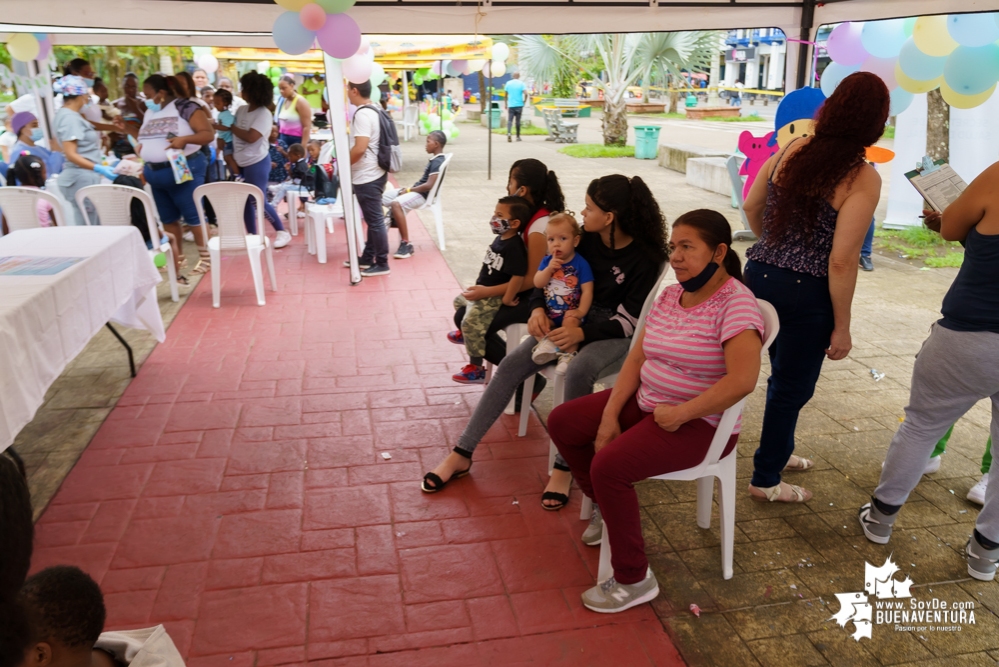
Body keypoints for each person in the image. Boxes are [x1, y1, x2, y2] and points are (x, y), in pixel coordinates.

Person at [550, 209, 764, 613]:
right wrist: (611, 415)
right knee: (565, 421)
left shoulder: (737, 304)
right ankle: (606, 509)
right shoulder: (670, 296)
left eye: (687, 247)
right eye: (673, 247)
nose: (677, 257)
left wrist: (682, 413)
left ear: (719, 252)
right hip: (649, 402)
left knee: (609, 466)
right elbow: (635, 360)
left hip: (701, 424)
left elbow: (742, 380)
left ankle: (634, 579)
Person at [422, 174, 668, 505]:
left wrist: (582, 332)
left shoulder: (645, 257)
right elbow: (544, 279)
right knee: (510, 365)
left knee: (580, 370)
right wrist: (536, 310)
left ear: (609, 218)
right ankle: (462, 451)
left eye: (589, 207)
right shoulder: (583, 241)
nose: (582, 213)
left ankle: (564, 467)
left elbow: (630, 321)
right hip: (564, 323)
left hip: (614, 334)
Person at [741, 71, 888, 503]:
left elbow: (752, 205)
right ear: (876, 123)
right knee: (793, 385)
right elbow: (842, 260)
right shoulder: (862, 177)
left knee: (779, 376)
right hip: (807, 292)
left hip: (760, 278)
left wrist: (772, 245)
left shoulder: (793, 148)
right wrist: (842, 327)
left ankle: (777, 449)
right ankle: (765, 478)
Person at [859, 159, 999, 581]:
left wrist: (955, 223)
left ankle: (881, 520)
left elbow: (953, 227)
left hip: (968, 336)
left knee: (922, 426)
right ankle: (986, 553)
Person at [452, 159, 566, 371]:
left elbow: (532, 279)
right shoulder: (527, 215)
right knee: (466, 315)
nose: (507, 187)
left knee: (466, 319)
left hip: (542, 299)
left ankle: (525, 383)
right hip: (526, 291)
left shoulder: (539, 226)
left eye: (509, 182)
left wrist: (487, 292)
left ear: (521, 189)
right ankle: (519, 379)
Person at [125, 74, 214, 272]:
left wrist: (184, 140)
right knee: (168, 219)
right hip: (156, 175)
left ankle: (206, 258)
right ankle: (177, 259)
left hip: (184, 168)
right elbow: (145, 144)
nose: (146, 98)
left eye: (148, 94)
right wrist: (130, 132)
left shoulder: (186, 107)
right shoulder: (150, 112)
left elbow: (207, 134)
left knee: (194, 216)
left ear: (161, 93)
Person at [446, 196, 530, 387]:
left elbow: (518, 276)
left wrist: (508, 298)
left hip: (494, 295)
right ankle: (466, 333)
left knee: (470, 322)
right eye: (495, 213)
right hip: (484, 288)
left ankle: (476, 368)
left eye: (500, 215)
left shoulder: (514, 246)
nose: (494, 218)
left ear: (515, 223)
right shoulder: (500, 238)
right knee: (459, 302)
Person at [227, 72, 291, 248]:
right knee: (244, 201)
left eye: (244, 88)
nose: (241, 91)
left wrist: (231, 127)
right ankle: (252, 236)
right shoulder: (241, 110)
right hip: (239, 161)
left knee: (257, 199)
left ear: (252, 91)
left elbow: (251, 137)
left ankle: (281, 232)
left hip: (256, 162)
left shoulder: (263, 114)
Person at [530, 213, 594, 372]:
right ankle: (549, 345)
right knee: (539, 325)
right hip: (551, 313)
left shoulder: (581, 264)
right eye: (551, 240)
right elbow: (538, 282)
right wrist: (548, 269)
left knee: (570, 325)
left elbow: (587, 291)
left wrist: (580, 312)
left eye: (562, 239)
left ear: (575, 241)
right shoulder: (547, 261)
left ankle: (567, 355)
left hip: (570, 314)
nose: (556, 245)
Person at [52, 76, 117, 226]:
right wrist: (98, 167)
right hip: (80, 177)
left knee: (91, 221)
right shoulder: (69, 118)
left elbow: (89, 126)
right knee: (89, 225)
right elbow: (71, 154)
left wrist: (115, 128)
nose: (88, 99)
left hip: (82, 177)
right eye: (87, 95)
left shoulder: (69, 115)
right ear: (81, 95)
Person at [343, 80, 389, 277]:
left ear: (354, 91)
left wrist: (344, 166)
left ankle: (382, 262)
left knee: (375, 220)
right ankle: (368, 257)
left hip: (367, 175)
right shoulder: (375, 109)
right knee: (372, 219)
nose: (346, 93)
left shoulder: (362, 114)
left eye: (347, 90)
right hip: (376, 172)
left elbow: (360, 148)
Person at [381, 130, 446, 259]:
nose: (425, 144)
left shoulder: (437, 162)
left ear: (436, 144)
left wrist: (409, 190)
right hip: (417, 191)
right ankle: (393, 220)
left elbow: (429, 185)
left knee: (396, 204)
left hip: (422, 196)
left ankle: (406, 244)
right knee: (380, 199)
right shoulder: (435, 159)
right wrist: (408, 189)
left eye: (428, 142)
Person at [6, 111, 64, 177]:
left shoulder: (40, 149)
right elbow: (47, 175)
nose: (38, 128)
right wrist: (56, 152)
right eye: (34, 125)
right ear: (22, 129)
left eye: (38, 125)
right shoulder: (20, 153)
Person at [10, 155, 54, 226]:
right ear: (40, 174)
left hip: (16, 236)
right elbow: (58, 223)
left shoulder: (9, 197)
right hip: (44, 236)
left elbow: (6, 231)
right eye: (45, 172)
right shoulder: (46, 195)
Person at [110, 73, 145, 159]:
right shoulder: (115, 104)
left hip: (139, 148)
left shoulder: (143, 104)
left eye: (133, 87)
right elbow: (110, 126)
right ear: (122, 86)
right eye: (127, 86)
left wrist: (135, 108)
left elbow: (147, 124)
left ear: (137, 88)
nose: (130, 90)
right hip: (120, 149)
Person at [276, 74, 312, 148]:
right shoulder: (283, 100)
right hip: (283, 139)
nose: (281, 91)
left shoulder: (301, 101)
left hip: (296, 141)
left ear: (292, 86)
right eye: (280, 88)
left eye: (284, 88)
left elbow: (307, 127)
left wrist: (303, 147)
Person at [212, 88, 239, 178]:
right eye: (214, 103)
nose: (215, 106)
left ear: (226, 103)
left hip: (229, 141)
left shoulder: (226, 114)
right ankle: (232, 174)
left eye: (218, 103)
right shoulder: (221, 114)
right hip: (224, 140)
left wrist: (214, 126)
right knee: (226, 158)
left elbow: (227, 127)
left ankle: (237, 174)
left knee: (229, 158)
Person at [504, 72, 527, 142]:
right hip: (519, 105)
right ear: (519, 76)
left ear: (513, 76)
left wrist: (505, 104)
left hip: (511, 105)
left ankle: (509, 133)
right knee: (518, 121)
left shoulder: (508, 83)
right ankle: (518, 137)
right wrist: (524, 102)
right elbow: (526, 94)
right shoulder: (521, 83)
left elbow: (505, 95)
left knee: (510, 120)